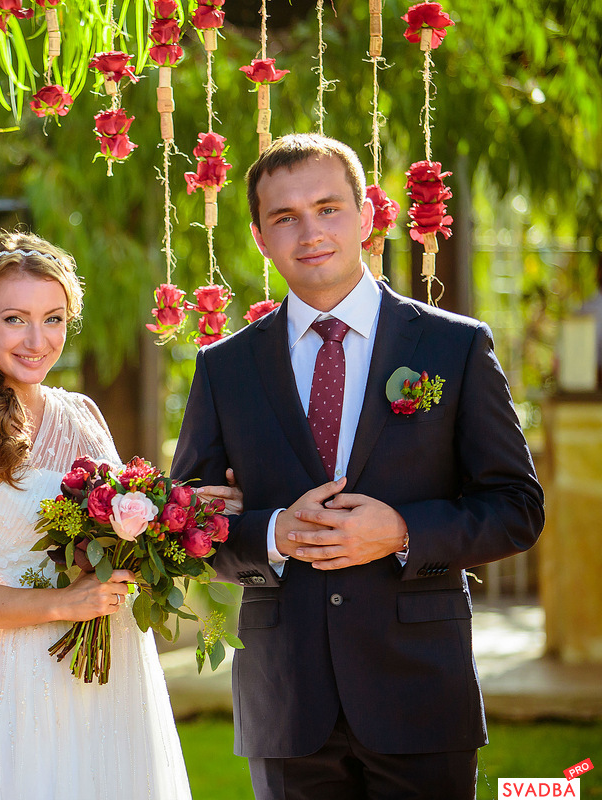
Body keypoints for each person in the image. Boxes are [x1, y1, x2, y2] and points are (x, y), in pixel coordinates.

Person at [172, 133, 545, 799]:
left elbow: (516, 508)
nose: (310, 231)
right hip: (287, 702)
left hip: (421, 692)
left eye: (328, 207)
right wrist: (272, 534)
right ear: (259, 236)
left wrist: (402, 531)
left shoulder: (454, 346)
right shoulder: (223, 367)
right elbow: (186, 524)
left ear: (367, 215)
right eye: (284, 217)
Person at [0, 231, 194, 799]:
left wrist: (172, 530)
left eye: (52, 318)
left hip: (121, 662)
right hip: (36, 672)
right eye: (15, 319)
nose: (37, 339)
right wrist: (62, 603)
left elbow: (130, 523)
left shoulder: (84, 412)